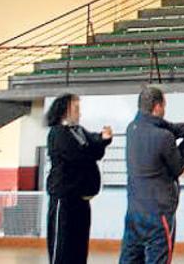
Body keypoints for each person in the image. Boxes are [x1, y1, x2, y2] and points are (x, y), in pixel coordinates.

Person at [120, 86, 184, 264]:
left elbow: (177, 127)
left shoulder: (132, 129)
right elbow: (179, 168)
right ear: (158, 107)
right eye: (164, 106)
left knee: (130, 259)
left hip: (134, 211)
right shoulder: (164, 137)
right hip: (158, 215)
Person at [45, 93, 113, 264]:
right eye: (76, 109)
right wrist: (96, 145)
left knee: (79, 247)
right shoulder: (58, 133)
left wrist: (103, 139)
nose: (79, 113)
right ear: (65, 110)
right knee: (62, 248)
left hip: (81, 200)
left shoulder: (79, 131)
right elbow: (79, 155)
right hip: (65, 199)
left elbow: (95, 148)